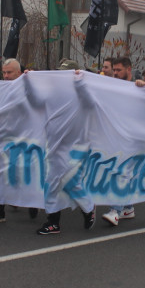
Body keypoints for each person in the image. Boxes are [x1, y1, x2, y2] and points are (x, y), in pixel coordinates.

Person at [35, 59, 97, 235]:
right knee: (54, 182)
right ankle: (56, 220)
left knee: (66, 181)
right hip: (54, 145)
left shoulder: (81, 91)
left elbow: (91, 104)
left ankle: (86, 208)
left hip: (74, 146)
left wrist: (79, 83)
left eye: (66, 73)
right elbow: (36, 102)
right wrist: (27, 82)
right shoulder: (53, 91)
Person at [0, 58, 31, 223]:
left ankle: (31, 202)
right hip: (0, 139)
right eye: (4, 72)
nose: (6, 76)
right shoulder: (0, 89)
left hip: (21, 141)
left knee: (21, 174)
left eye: (9, 72)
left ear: (19, 73)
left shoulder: (27, 89)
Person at [101, 56, 145, 226]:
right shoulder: (113, 86)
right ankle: (128, 208)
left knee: (122, 171)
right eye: (113, 70)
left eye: (118, 70)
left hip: (133, 138)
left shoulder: (138, 87)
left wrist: (144, 87)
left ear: (129, 69)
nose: (115, 73)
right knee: (118, 171)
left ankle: (115, 211)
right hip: (117, 137)